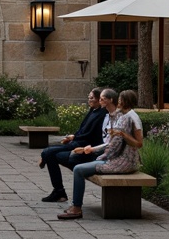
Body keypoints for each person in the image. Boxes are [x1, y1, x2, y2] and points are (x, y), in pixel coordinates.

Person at [57, 89, 141, 220]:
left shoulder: (126, 118)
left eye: (120, 100)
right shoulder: (123, 116)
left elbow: (118, 146)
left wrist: (99, 155)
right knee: (78, 162)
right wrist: (93, 150)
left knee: (78, 169)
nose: (118, 102)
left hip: (121, 161)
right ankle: (75, 206)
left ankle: (76, 208)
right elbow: (112, 143)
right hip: (118, 158)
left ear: (124, 101)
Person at [37, 87, 106, 203]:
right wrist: (72, 137)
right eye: (88, 97)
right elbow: (83, 130)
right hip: (78, 142)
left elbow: (90, 136)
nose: (89, 99)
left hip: (84, 149)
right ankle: (59, 192)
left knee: (47, 152)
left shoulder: (101, 114)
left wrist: (74, 138)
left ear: (100, 99)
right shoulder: (93, 111)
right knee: (49, 154)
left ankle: (59, 191)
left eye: (92, 97)